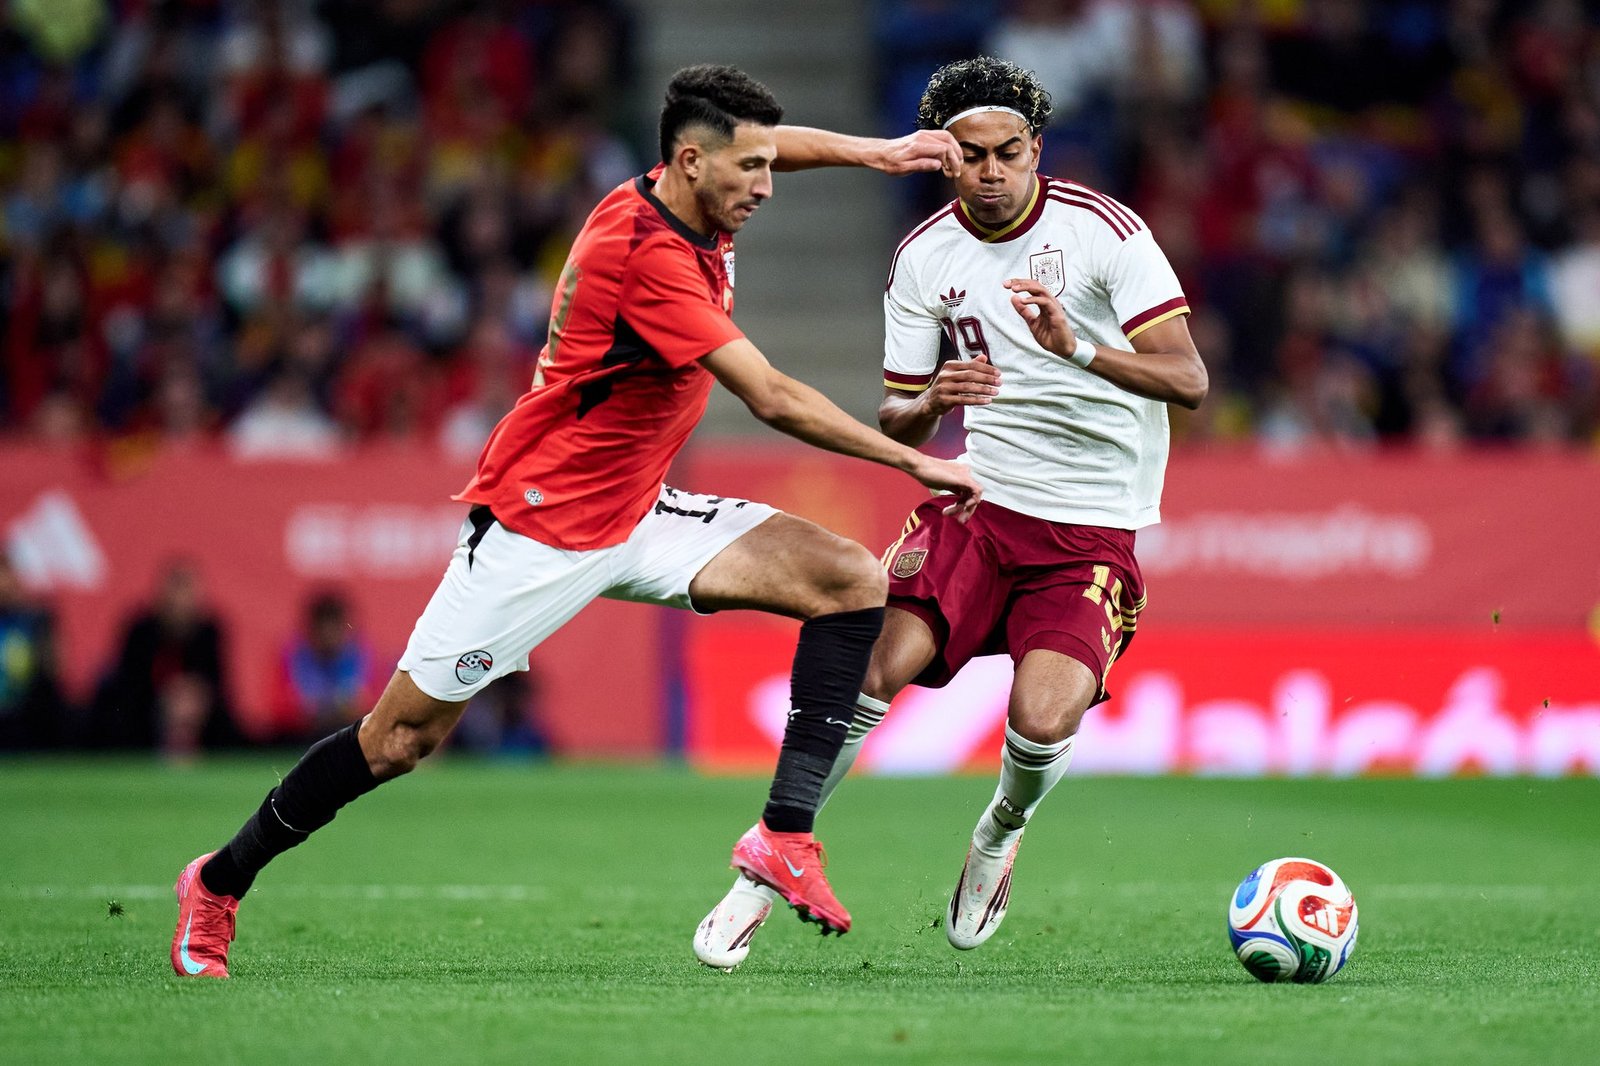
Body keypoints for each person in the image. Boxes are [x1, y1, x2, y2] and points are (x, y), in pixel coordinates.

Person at [170, 64, 981, 978]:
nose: (764, 185)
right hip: (542, 526)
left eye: (766, 165)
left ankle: (784, 835)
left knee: (848, 578)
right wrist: (915, 458)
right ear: (688, 162)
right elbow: (773, 398)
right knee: (398, 742)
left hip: (641, 508)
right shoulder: (649, 258)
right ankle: (219, 881)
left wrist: (875, 152)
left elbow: (769, 146)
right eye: (748, 170)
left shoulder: (690, 192)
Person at [695, 56, 1206, 969]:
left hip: (1091, 526)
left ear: (1035, 149)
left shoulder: (1105, 234)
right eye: (969, 154)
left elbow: (1189, 379)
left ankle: (1000, 832)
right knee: (870, 673)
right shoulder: (925, 255)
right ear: (946, 159)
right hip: (978, 498)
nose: (990, 169)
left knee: (1045, 723)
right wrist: (932, 400)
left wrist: (1079, 348)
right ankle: (764, 870)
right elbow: (894, 412)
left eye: (1008, 151)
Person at [90, 559, 245, 758]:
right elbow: (128, 683)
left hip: (202, 717)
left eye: (187, 594)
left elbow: (218, 683)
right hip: (145, 712)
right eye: (176, 595)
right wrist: (167, 700)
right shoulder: (140, 631)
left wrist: (194, 697)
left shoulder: (209, 632)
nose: (181, 603)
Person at [266, 588, 381, 745]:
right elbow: (279, 709)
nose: (328, 635)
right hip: (298, 741)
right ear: (311, 629)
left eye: (334, 627)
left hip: (348, 738)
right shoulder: (293, 656)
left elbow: (372, 706)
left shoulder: (360, 655)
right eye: (323, 627)